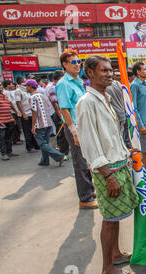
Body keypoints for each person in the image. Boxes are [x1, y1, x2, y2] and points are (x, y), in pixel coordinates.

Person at [76, 55, 138, 274]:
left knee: (116, 217)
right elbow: (89, 143)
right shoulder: (86, 102)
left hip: (118, 164)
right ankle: (107, 270)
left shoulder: (105, 96)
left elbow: (111, 134)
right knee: (110, 220)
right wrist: (108, 175)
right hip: (107, 170)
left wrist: (125, 151)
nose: (109, 74)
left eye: (111, 70)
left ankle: (115, 254)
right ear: (90, 73)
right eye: (104, 70)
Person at [56, 48, 97, 209]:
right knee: (80, 163)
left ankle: (89, 190)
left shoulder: (79, 81)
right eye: (73, 62)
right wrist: (74, 132)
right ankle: (85, 198)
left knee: (88, 160)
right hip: (75, 127)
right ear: (65, 65)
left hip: (85, 125)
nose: (77, 65)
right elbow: (65, 109)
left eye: (78, 61)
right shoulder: (64, 84)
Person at [25, 79, 64, 167]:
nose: (26, 88)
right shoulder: (42, 96)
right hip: (48, 122)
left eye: (27, 86)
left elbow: (34, 111)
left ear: (30, 87)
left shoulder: (32, 98)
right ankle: (45, 160)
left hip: (40, 123)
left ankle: (58, 156)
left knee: (41, 143)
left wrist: (33, 126)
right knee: (45, 143)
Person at [130, 61, 146, 179]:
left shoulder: (145, 84)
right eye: (144, 69)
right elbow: (133, 107)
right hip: (142, 122)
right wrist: (140, 124)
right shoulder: (134, 85)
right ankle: (145, 169)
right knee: (144, 147)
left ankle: (142, 164)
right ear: (138, 72)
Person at [45, 70, 68, 160]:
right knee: (62, 134)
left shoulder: (59, 86)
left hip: (62, 112)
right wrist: (60, 115)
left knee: (64, 133)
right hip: (58, 113)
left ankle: (63, 152)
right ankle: (62, 153)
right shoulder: (53, 87)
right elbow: (55, 103)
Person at [106, 69, 131, 149]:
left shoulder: (112, 85)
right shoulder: (119, 85)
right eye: (117, 75)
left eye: (119, 76)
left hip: (117, 114)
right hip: (120, 114)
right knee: (121, 134)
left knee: (119, 135)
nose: (118, 77)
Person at [15, 76, 39, 153]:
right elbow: (18, 103)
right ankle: (29, 147)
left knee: (33, 130)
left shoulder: (28, 91)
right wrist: (23, 113)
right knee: (27, 131)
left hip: (31, 113)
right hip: (25, 114)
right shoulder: (18, 91)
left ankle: (35, 145)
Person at [0, 81, 19, 160]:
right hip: (1, 121)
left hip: (9, 119)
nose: (0, 86)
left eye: (0, 85)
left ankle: (9, 151)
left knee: (9, 137)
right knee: (1, 138)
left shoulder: (4, 95)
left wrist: (12, 117)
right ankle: (4, 153)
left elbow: (8, 107)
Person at [2, 80, 23, 145]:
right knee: (15, 126)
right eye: (11, 84)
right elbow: (10, 103)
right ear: (7, 85)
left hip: (15, 111)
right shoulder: (6, 92)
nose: (12, 85)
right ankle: (15, 140)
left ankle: (17, 139)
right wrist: (16, 111)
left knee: (17, 126)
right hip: (12, 112)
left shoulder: (9, 92)